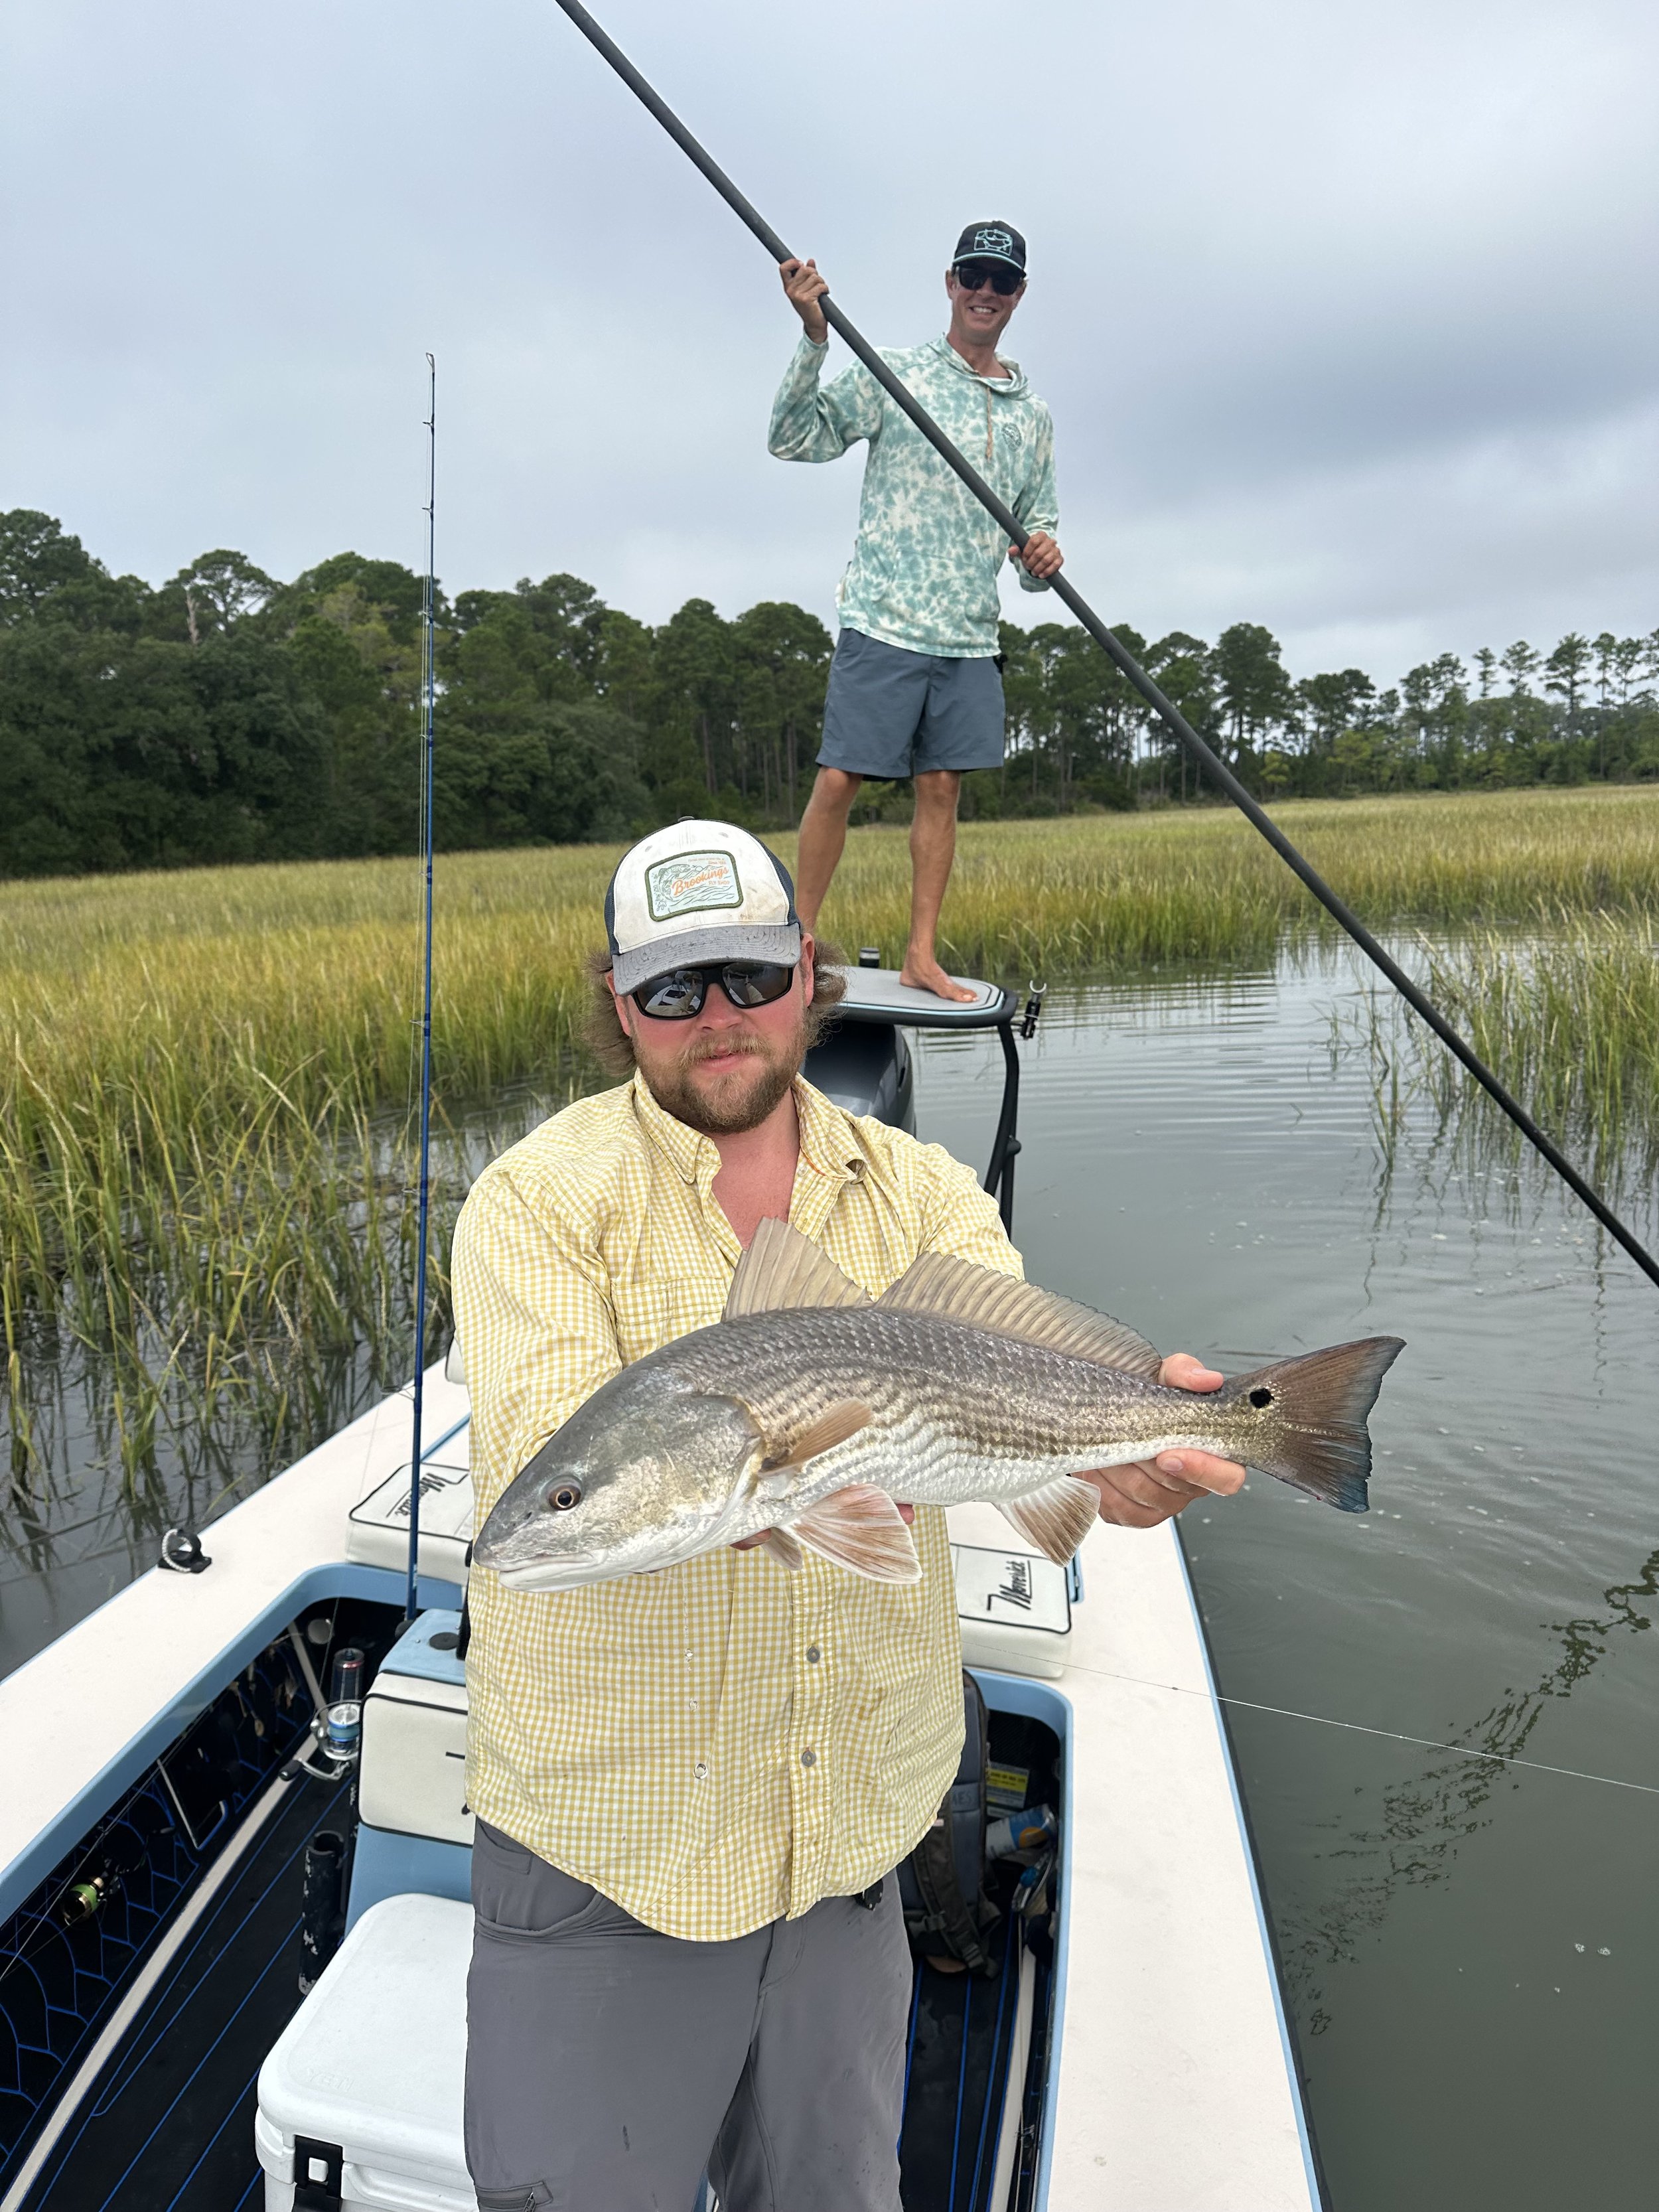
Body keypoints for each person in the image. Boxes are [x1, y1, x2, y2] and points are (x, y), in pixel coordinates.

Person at [451, 818, 1243, 2212]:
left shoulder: (926, 1193)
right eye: (673, 988)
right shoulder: (534, 1200)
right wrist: (765, 1466)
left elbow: (1015, 1410)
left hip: (850, 1846)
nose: (719, 1018)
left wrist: (1118, 1458)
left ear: (806, 970)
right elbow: (545, 1454)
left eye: (749, 976)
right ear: (620, 1002)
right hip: (613, 1860)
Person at [768, 220, 1062, 1003]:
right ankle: (793, 948)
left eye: (1001, 283)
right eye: (973, 276)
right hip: (884, 620)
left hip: (968, 638)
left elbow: (1039, 535)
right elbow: (792, 438)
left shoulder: (1031, 414)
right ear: (949, 282)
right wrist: (814, 335)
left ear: (1018, 296)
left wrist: (1042, 554)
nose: (985, 294)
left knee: (942, 790)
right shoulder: (892, 371)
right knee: (838, 779)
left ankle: (920, 956)